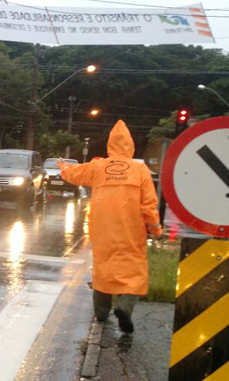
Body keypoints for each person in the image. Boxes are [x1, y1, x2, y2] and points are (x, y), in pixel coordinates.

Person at [57, 120, 162, 333]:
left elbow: (75, 174)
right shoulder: (140, 169)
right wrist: (155, 229)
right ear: (130, 145)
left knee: (103, 268)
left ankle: (101, 312)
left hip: (102, 228)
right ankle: (124, 306)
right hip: (131, 228)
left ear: (110, 144)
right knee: (134, 270)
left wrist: (63, 167)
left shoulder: (98, 166)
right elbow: (149, 204)